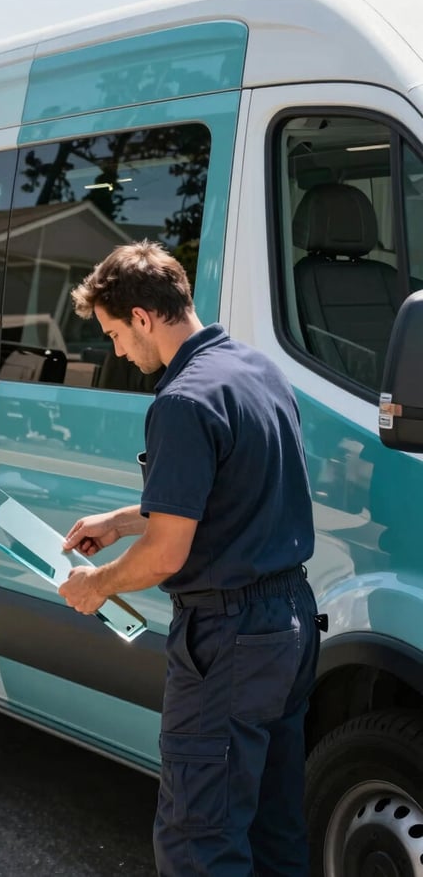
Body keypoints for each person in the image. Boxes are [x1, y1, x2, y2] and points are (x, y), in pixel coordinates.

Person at [58, 239, 320, 877]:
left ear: (143, 317)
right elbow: (228, 495)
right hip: (290, 624)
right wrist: (121, 522)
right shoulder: (256, 371)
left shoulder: (180, 400)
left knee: (198, 842)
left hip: (227, 638)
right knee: (274, 829)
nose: (118, 351)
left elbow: (167, 555)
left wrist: (98, 585)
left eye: (116, 334)